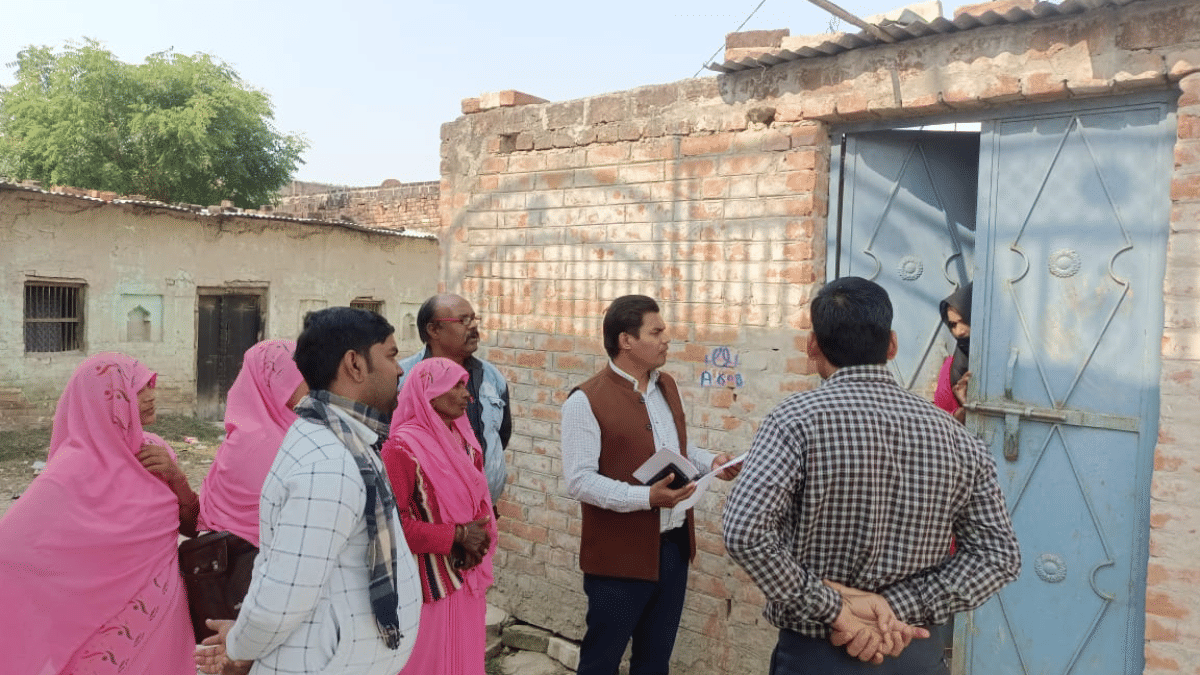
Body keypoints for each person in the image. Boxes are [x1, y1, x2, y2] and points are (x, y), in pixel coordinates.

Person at [722, 277, 1021, 674]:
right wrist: (899, 607)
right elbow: (998, 556)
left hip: (816, 654)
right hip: (912, 653)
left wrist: (837, 610)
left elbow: (745, 533)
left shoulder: (793, 422)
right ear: (892, 345)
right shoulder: (956, 436)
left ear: (812, 346)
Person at [195, 307, 422, 675]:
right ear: (355, 364)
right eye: (391, 355)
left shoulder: (347, 440)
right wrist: (238, 646)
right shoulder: (326, 465)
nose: (400, 369)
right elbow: (281, 598)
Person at [561, 294, 740, 675]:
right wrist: (647, 497)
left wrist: (711, 462)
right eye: (656, 332)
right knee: (601, 661)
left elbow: (674, 446)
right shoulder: (585, 400)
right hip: (618, 557)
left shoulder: (666, 386)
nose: (666, 340)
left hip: (673, 548)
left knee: (654, 662)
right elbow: (579, 481)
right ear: (626, 340)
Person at [0, 353, 199, 675]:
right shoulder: (70, 471)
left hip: (162, 615)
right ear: (102, 402)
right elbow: (11, 551)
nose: (150, 396)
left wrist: (177, 478)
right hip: (102, 630)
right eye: (136, 390)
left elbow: (192, 527)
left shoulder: (156, 453)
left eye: (150, 386)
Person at [381, 357, 497, 675]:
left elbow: (479, 502)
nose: (467, 395)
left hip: (466, 570)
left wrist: (477, 538)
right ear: (428, 392)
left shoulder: (465, 442)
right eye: (456, 386)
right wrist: (457, 536)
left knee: (465, 658)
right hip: (427, 581)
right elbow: (392, 524)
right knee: (427, 662)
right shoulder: (401, 448)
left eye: (465, 384)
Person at [399, 293, 511, 504]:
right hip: (428, 516)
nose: (473, 327)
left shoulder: (491, 377)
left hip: (484, 511)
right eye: (463, 320)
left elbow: (500, 436)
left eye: (474, 319)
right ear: (434, 330)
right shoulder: (404, 379)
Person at [198, 339, 308, 547]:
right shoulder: (278, 444)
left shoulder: (241, 436)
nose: (314, 381)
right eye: (302, 374)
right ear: (275, 380)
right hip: (265, 563)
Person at [934, 282, 972, 423]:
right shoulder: (950, 369)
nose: (959, 331)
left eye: (965, 321)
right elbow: (940, 420)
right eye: (953, 325)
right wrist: (963, 410)